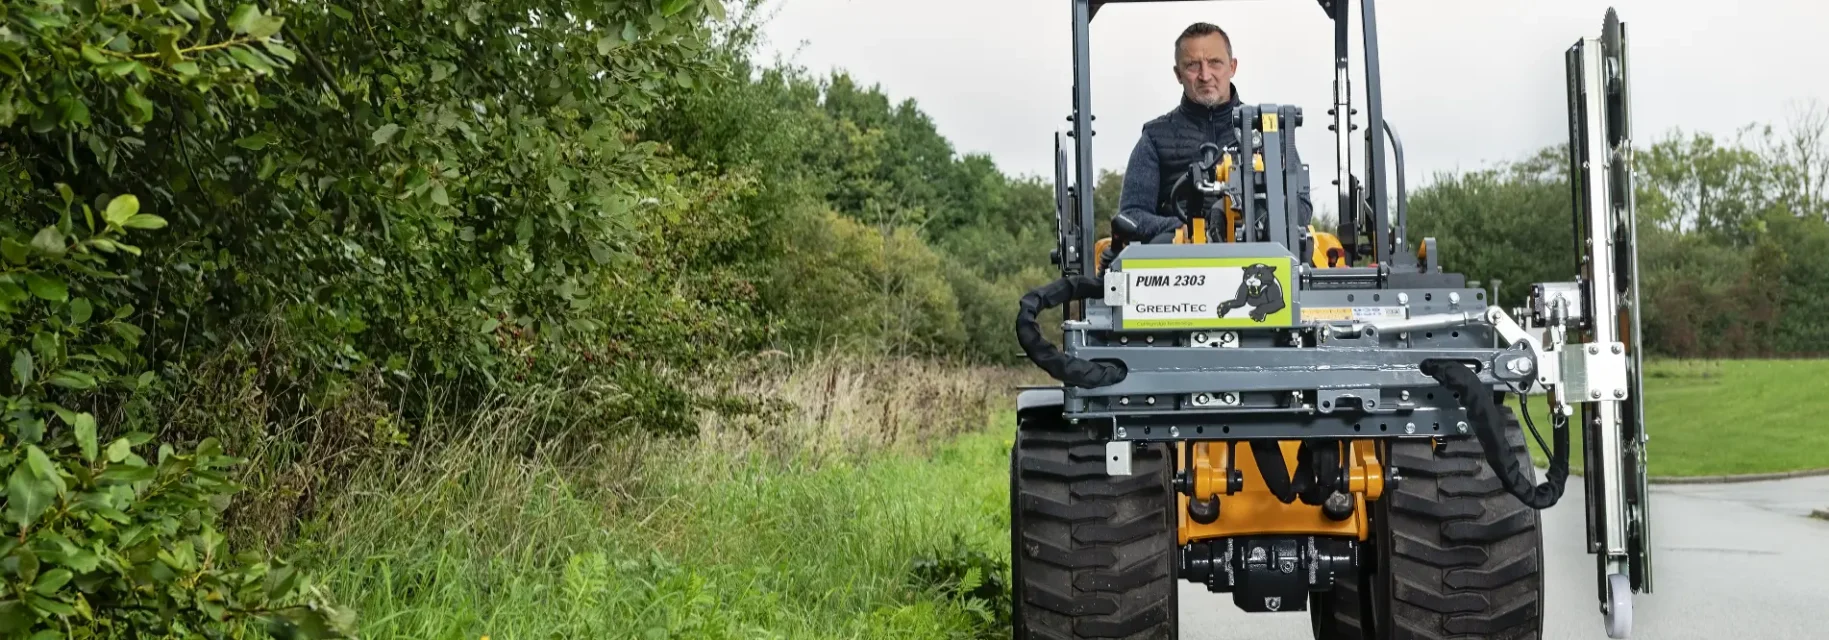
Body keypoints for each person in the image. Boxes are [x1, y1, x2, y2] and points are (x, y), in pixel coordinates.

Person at [1102, 22, 1313, 269]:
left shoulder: (1268, 133)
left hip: (1261, 261)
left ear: (1232, 67)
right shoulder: (1155, 138)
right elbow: (1132, 215)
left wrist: (1255, 222)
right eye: (1192, 65)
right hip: (1178, 266)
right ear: (1178, 73)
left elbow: (1301, 207)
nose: (1205, 75)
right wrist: (1187, 228)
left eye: (1215, 62)